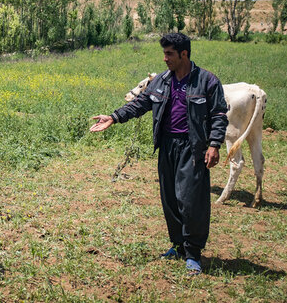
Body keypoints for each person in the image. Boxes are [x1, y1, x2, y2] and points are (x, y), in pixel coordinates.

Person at [90, 33, 228, 275]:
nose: (165, 59)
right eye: (164, 53)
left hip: (192, 147)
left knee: (191, 201)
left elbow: (218, 114)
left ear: (184, 54)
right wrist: (113, 117)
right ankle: (178, 246)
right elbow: (140, 103)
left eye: (169, 54)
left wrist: (214, 144)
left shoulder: (206, 81)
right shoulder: (162, 80)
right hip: (167, 146)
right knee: (171, 199)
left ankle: (193, 254)